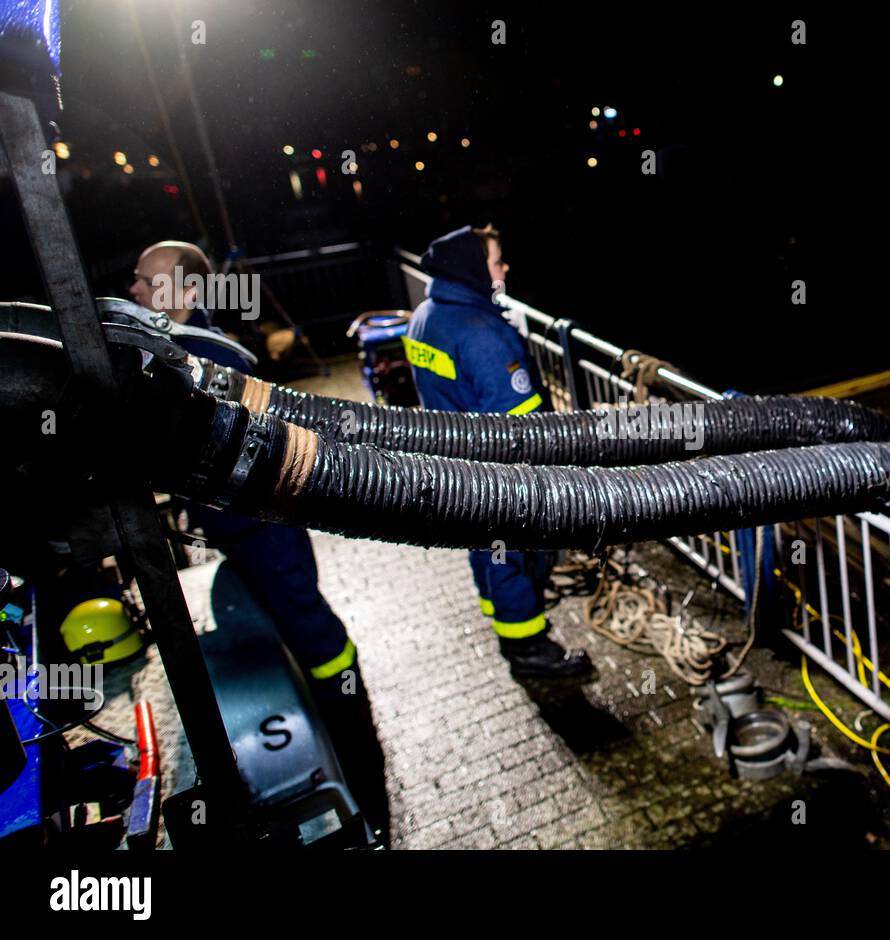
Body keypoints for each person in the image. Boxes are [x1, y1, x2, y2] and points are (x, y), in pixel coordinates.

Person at [129, 241, 390, 839]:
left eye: (147, 281)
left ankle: (357, 753)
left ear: (186, 295)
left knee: (310, 627)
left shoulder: (212, 362)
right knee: (287, 624)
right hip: (240, 532)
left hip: (263, 532)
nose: (136, 290)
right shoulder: (180, 354)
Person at [405, 225, 592, 678]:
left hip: (455, 461)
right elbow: (524, 424)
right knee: (511, 554)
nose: (504, 267)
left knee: (481, 546)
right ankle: (527, 647)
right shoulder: (482, 335)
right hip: (499, 474)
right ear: (472, 268)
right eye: (495, 260)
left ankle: (496, 610)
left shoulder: (426, 315)